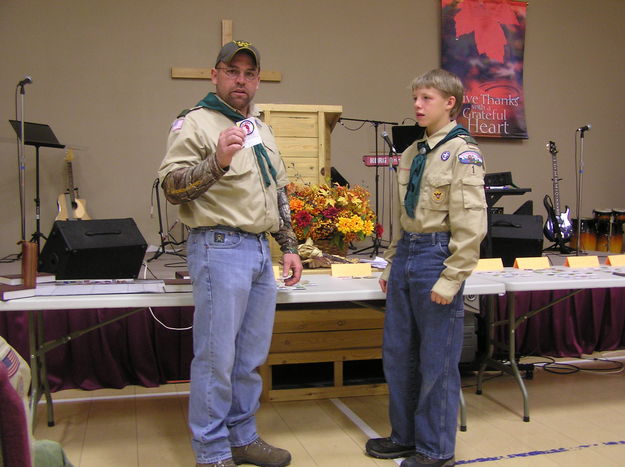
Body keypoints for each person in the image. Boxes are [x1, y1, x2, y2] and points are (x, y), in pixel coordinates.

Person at [158, 40, 303, 467]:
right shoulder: (195, 123)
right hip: (218, 248)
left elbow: (278, 190)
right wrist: (218, 161)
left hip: (259, 252)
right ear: (215, 74)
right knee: (216, 358)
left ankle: (242, 437)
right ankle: (212, 450)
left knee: (249, 358)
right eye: (232, 71)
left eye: (249, 73)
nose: (241, 80)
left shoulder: (260, 128)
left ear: (257, 80)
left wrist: (289, 247)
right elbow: (172, 187)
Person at [365, 69, 487, 467]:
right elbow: (406, 214)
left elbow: (471, 224)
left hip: (437, 255)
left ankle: (436, 451)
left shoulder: (463, 152)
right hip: (408, 256)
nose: (417, 105)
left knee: (437, 359)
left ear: (450, 102)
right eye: (415, 98)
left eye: (426, 98)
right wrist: (391, 263)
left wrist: (452, 277)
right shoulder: (415, 153)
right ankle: (405, 436)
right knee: (399, 354)